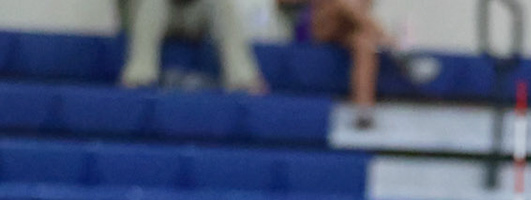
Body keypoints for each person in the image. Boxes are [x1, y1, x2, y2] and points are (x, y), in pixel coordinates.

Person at [278, 0, 437, 128]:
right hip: (323, 27)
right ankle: (396, 48)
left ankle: (363, 110)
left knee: (364, 44)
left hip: (352, 29)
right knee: (343, 4)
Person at [120, 0, 266, 93]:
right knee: (150, 3)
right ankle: (139, 77)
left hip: (198, 14)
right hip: (164, 11)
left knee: (222, 4)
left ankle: (243, 79)